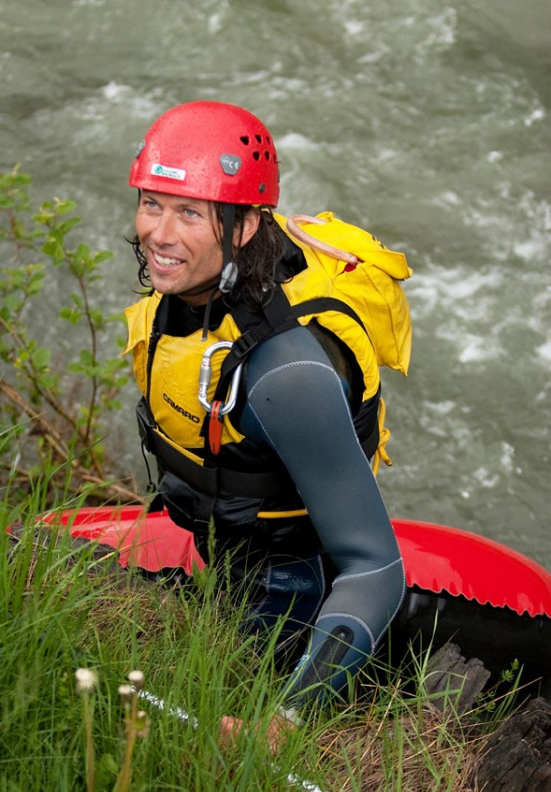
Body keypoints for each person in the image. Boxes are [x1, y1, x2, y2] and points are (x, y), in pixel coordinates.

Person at [124, 100, 412, 724]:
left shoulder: (287, 374)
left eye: (190, 214)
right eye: (152, 203)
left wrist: (284, 722)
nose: (160, 235)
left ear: (247, 226)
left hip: (291, 591)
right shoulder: (193, 293)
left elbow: (376, 569)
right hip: (223, 553)